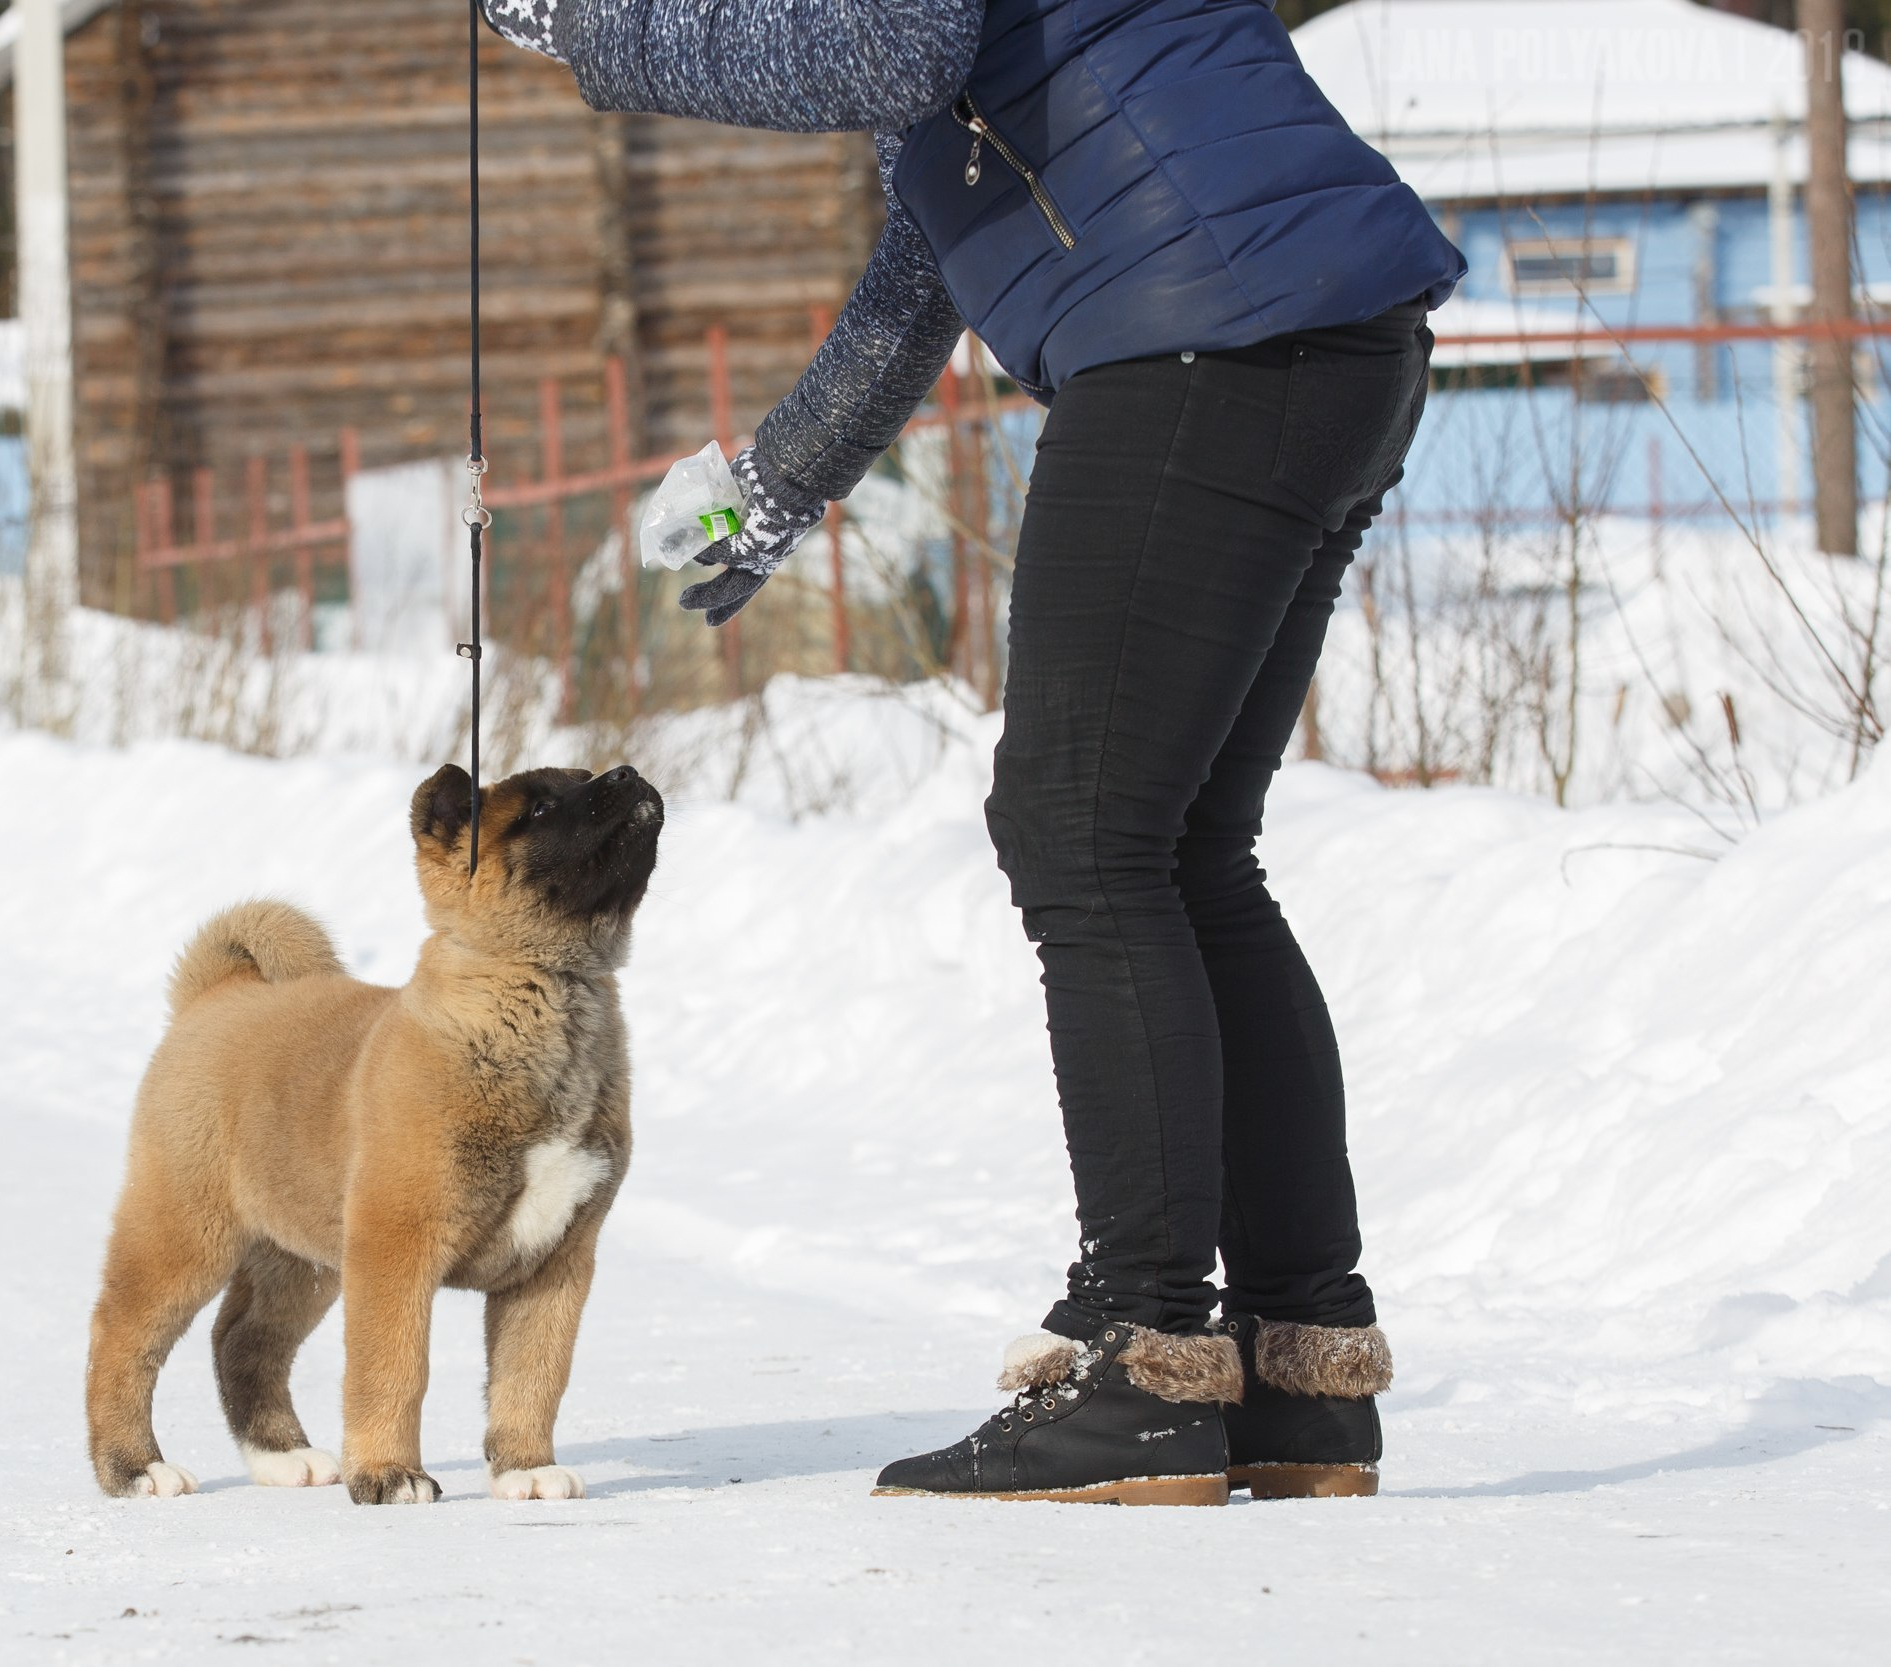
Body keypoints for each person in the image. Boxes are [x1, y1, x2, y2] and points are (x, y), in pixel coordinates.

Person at [483, 0, 1462, 1504]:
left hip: (1201, 335)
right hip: (1312, 334)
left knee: (1084, 837)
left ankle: (1143, 1364)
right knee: (1182, 847)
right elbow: (930, 246)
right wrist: (779, 482)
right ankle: (1295, 1372)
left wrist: (594, 33)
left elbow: (890, 59)